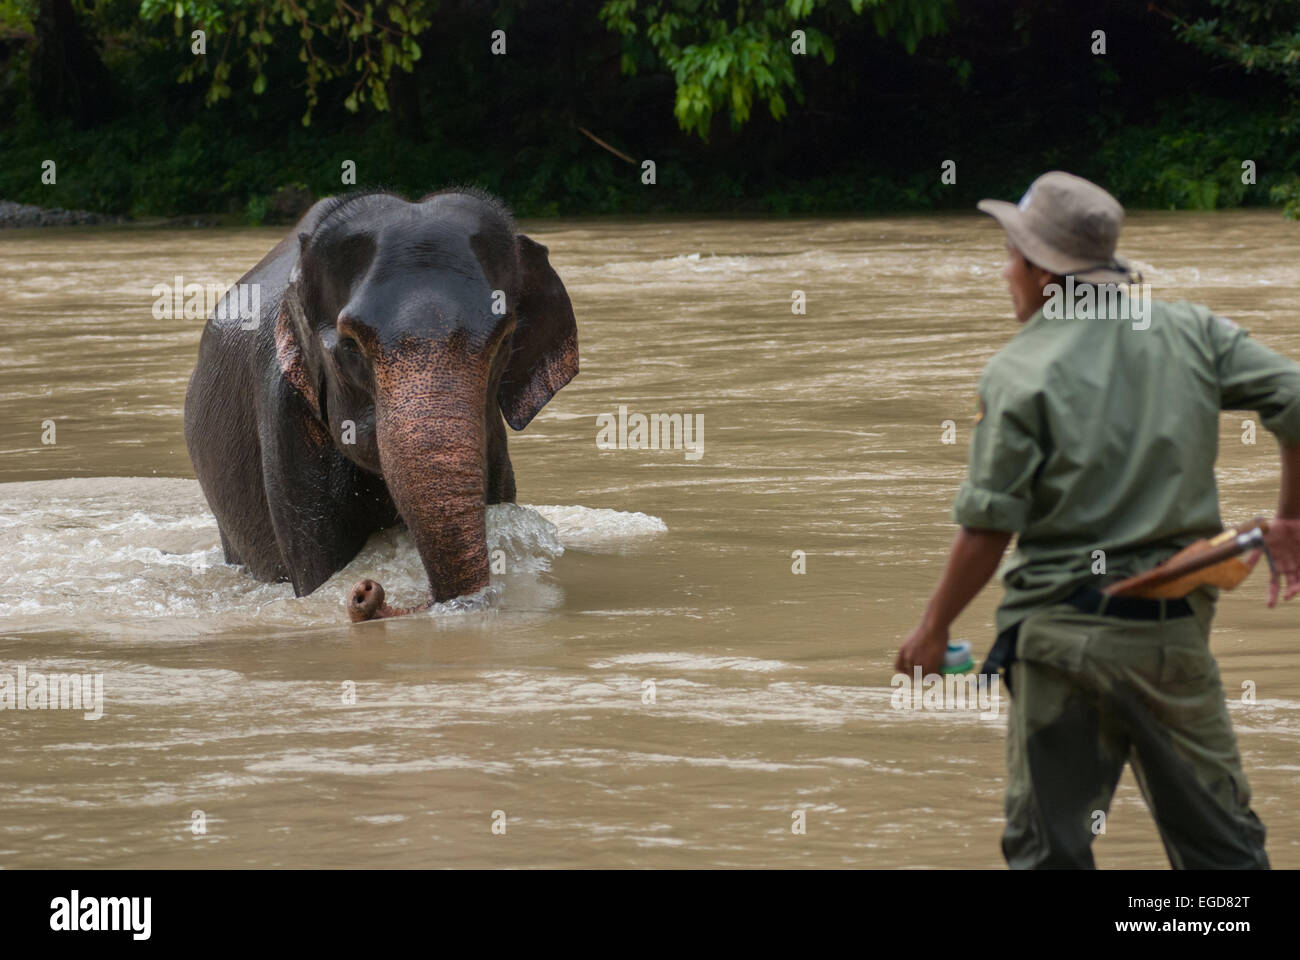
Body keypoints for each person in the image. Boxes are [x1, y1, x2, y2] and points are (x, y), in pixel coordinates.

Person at [894, 170, 1300, 869]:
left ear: (1044, 272)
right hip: (1170, 639)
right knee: (1224, 854)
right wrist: (1290, 519)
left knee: (1049, 852)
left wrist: (933, 629)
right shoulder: (1190, 331)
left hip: (1057, 643)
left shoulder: (1019, 370)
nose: (1005, 272)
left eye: (1012, 257)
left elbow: (988, 527)